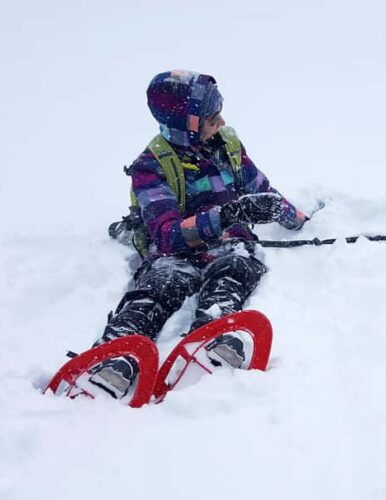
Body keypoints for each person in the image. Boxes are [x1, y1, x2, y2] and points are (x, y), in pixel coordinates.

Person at [88, 70, 309, 398]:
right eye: (210, 118)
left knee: (236, 268)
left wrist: (295, 218)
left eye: (219, 114)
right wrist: (228, 215)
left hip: (228, 245)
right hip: (175, 253)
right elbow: (165, 235)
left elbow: (261, 189)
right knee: (160, 285)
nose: (220, 122)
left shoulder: (228, 145)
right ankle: (116, 354)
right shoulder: (151, 167)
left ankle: (211, 335)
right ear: (185, 125)